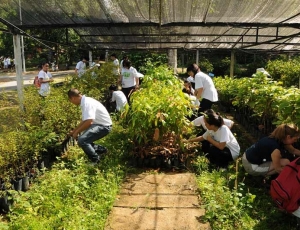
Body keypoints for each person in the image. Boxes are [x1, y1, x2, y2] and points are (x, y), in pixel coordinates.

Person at [67, 89, 112, 164]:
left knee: (82, 140)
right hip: (98, 124)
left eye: (71, 101)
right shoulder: (84, 102)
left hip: (104, 126)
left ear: (73, 98)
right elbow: (84, 120)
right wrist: (74, 131)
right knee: (84, 138)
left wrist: (77, 132)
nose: (72, 103)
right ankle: (102, 150)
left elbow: (89, 122)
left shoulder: (87, 103)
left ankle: (96, 160)